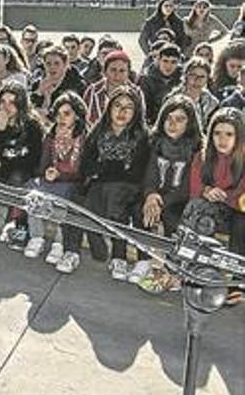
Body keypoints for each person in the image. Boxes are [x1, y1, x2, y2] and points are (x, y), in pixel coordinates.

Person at [67, 86, 151, 282]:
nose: (122, 112)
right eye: (117, 106)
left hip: (128, 190)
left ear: (136, 111)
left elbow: (135, 173)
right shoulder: (97, 132)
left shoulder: (141, 137)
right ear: (109, 108)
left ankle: (119, 255)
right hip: (99, 187)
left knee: (114, 192)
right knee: (83, 196)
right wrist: (112, 168)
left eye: (128, 107)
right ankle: (81, 249)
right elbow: (87, 167)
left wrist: (104, 168)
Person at [137, 95, 201, 292]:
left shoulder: (196, 149)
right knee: (142, 214)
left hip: (180, 200)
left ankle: (173, 271)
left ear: (189, 123)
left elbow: (188, 187)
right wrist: (150, 194)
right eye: (169, 118)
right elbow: (149, 174)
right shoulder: (155, 143)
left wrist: (161, 201)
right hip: (157, 196)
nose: (173, 124)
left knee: (173, 219)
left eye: (180, 119)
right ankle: (146, 262)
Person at [24, 92, 88, 273]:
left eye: (67, 114)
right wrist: (48, 172)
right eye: (59, 114)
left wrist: (60, 176)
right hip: (53, 179)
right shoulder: (51, 135)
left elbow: (82, 172)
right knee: (35, 190)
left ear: (77, 115)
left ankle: (60, 243)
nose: (62, 119)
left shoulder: (83, 137)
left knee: (65, 194)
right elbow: (42, 165)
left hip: (73, 181)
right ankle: (36, 237)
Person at [0, 83, 44, 248]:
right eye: (3, 102)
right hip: (1, 167)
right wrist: (0, 130)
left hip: (22, 171)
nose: (6, 107)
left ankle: (19, 224)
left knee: (18, 177)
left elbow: (32, 160)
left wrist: (2, 163)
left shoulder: (32, 125)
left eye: (12, 102)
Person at [182, 108, 245, 256]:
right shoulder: (202, 156)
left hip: (239, 209)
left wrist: (225, 196)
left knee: (241, 224)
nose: (222, 140)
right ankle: (193, 262)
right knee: (197, 209)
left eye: (229, 134)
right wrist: (206, 191)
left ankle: (238, 270)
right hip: (213, 208)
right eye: (217, 133)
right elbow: (194, 186)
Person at [82, 50, 145, 126]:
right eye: (113, 70)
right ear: (104, 72)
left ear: (128, 73)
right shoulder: (92, 91)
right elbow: (84, 120)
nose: (117, 75)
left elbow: (140, 123)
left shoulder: (136, 93)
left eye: (122, 71)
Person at [29, 45, 86, 120]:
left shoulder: (77, 84)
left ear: (65, 64)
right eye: (48, 63)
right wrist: (39, 91)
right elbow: (28, 108)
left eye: (57, 63)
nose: (52, 67)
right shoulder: (37, 83)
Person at [166, 56, 218, 129]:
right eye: (193, 75)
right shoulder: (172, 99)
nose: (197, 80)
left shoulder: (212, 104)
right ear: (186, 76)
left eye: (202, 77)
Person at [139, 42, 183, 125]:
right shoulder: (146, 78)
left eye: (173, 62)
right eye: (165, 61)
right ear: (158, 61)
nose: (168, 66)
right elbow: (144, 107)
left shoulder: (182, 79)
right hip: (152, 122)